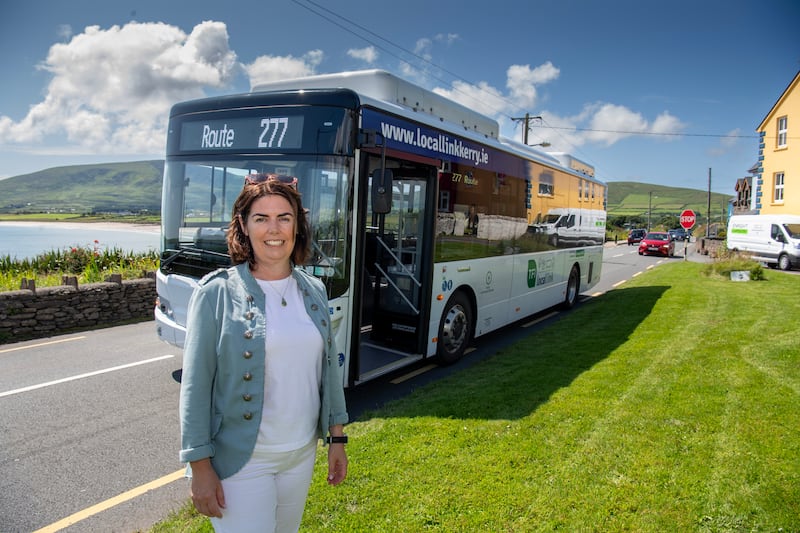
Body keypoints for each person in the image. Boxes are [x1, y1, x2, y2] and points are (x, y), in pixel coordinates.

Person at [179, 173, 349, 533]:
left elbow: (328, 373)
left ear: (297, 226)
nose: (274, 229)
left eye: (284, 218)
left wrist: (336, 439)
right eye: (261, 218)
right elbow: (194, 388)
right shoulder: (216, 294)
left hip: (300, 455)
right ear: (243, 224)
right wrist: (199, 466)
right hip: (242, 463)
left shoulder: (314, 290)